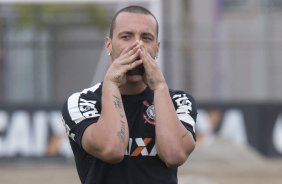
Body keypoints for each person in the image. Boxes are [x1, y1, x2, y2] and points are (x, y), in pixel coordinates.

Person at [61, 5, 197, 184]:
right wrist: (111, 84)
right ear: (108, 44)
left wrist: (160, 87)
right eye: (126, 36)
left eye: (146, 38)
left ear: (156, 48)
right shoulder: (82, 102)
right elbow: (112, 149)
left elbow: (174, 154)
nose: (137, 45)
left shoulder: (178, 101)